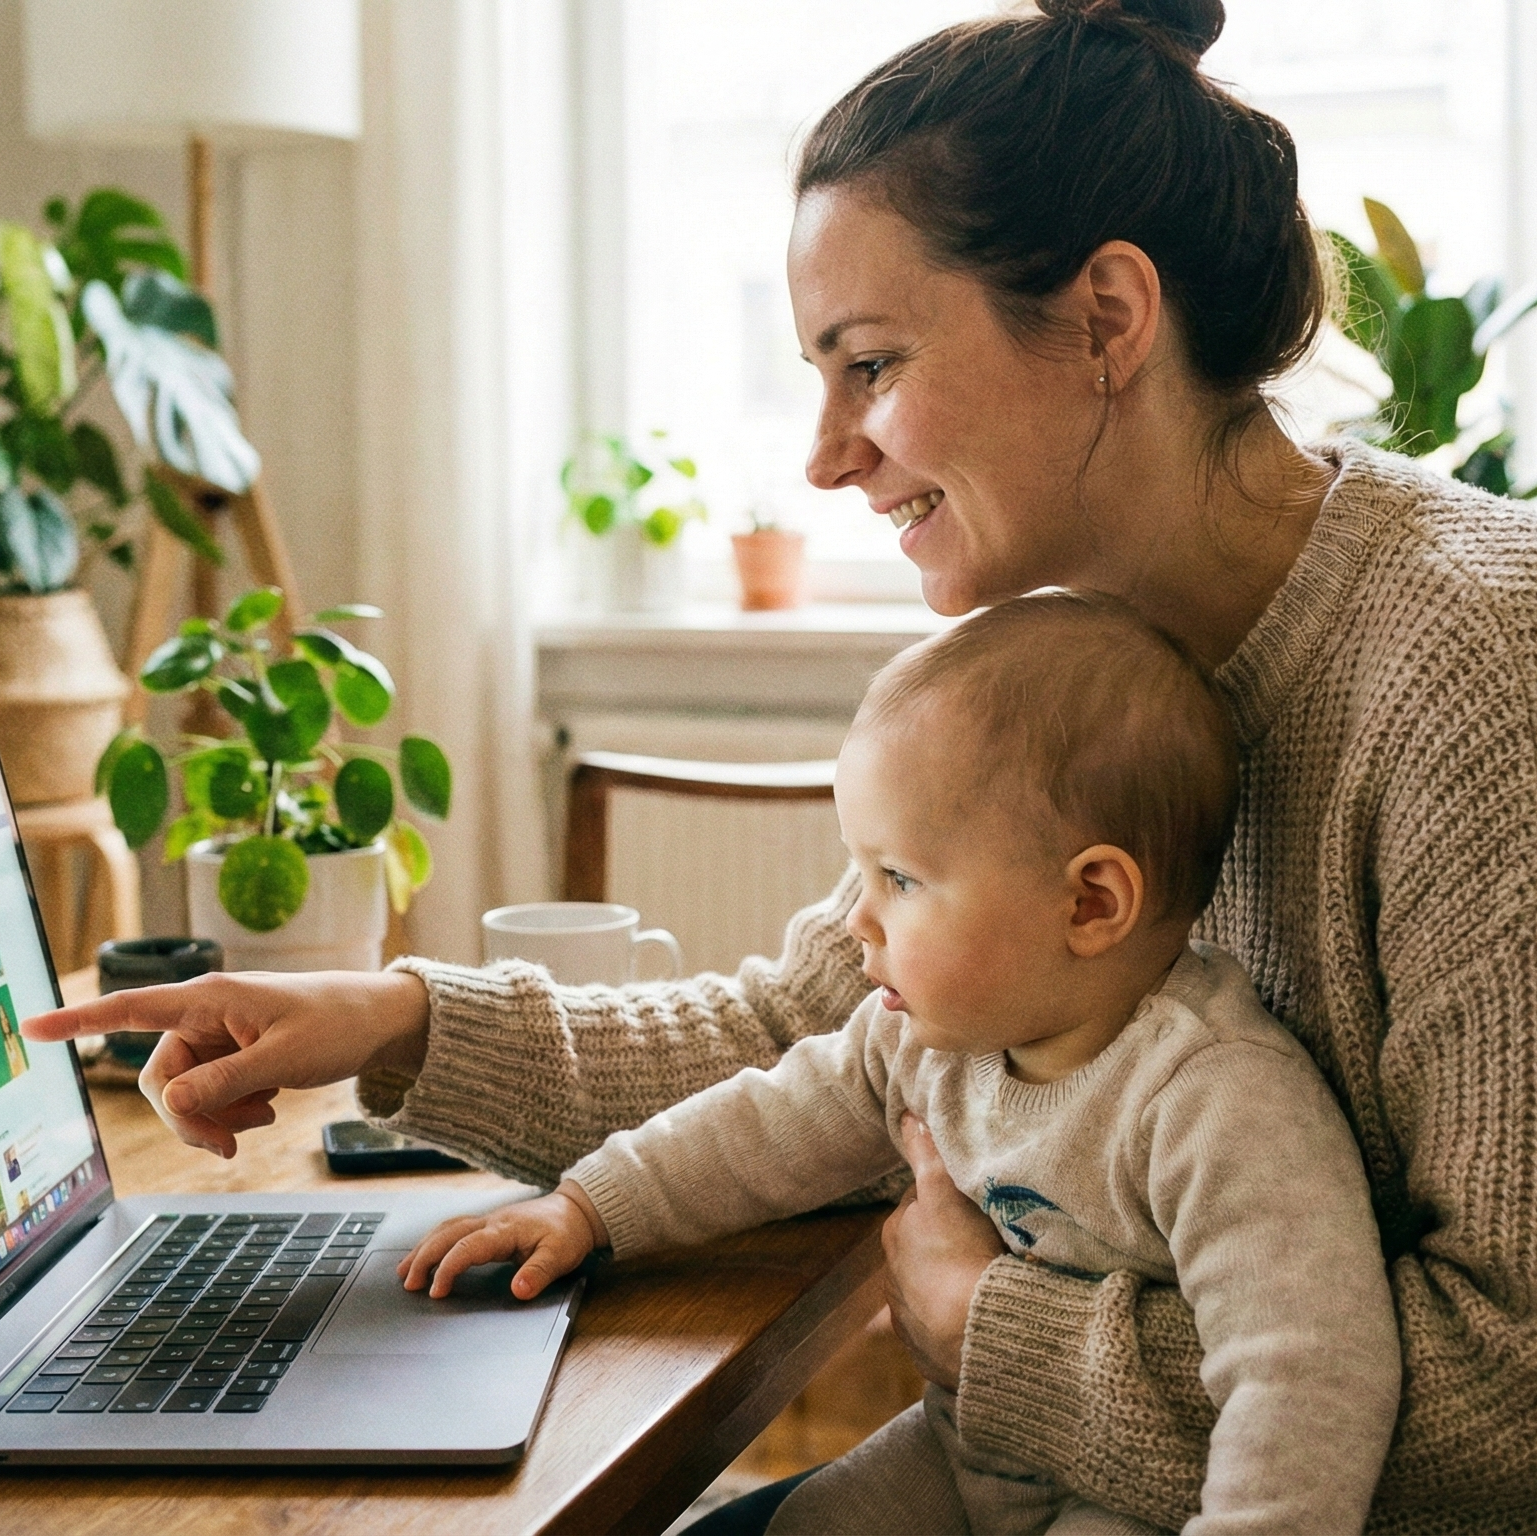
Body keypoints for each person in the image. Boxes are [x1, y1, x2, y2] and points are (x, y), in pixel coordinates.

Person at [24, 0, 1537, 1528]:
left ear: (1106, 320)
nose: (824, 454)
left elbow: (1512, 1396)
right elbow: (801, 1032)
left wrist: (983, 1333)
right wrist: (386, 1019)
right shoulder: (1073, 664)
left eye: (870, 364)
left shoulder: (1479, 679)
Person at [400, 590, 1402, 1536]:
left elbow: (1305, 1376)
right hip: (966, 1451)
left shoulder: (1219, 1101)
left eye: (899, 878)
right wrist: (585, 1210)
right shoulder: (926, 1037)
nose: (854, 917)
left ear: (1090, 903)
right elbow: (758, 1128)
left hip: (1133, 1500)